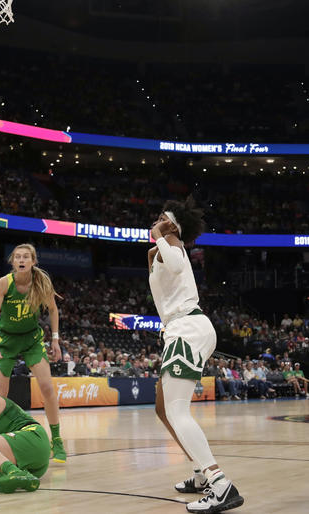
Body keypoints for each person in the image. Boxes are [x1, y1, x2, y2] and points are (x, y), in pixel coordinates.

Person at [149, 198, 243, 512]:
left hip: (186, 328)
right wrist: (157, 245)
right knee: (164, 409)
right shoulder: (164, 247)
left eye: (163, 217)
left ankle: (220, 484)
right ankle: (200, 475)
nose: (158, 219)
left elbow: (175, 263)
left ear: (173, 225)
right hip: (182, 329)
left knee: (177, 411)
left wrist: (161, 235)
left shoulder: (171, 242)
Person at [0, 243, 66, 463]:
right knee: (0, 397)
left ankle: (57, 440)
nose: (21, 260)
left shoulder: (41, 282)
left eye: (26, 257)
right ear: (12, 262)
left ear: (33, 261)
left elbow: (53, 309)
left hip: (31, 339)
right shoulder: (4, 283)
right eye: (17, 257)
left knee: (47, 387)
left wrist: (56, 340)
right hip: (6, 341)